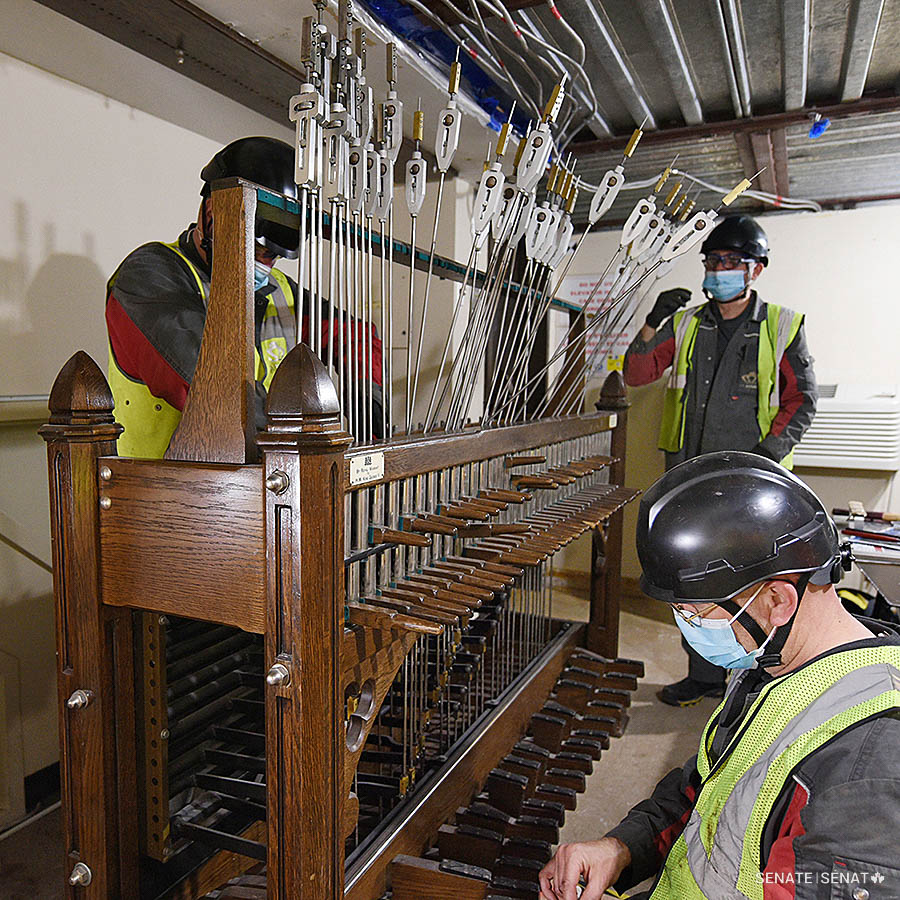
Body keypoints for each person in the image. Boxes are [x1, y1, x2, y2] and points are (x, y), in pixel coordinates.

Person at [539, 451, 900, 900]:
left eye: (694, 612)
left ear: (777, 601)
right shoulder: (773, 661)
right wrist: (622, 848)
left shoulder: (865, 774)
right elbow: (715, 792)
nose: (687, 628)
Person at [623, 214, 818, 707]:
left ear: (756, 269)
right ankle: (705, 677)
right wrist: (651, 321)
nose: (719, 270)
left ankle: (765, 678)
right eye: (713, 262)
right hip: (691, 474)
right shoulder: (687, 324)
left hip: (755, 482)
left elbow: (802, 400)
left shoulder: (782, 324)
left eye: (731, 261)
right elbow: (638, 372)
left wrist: (767, 456)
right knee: (695, 577)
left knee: (756, 579)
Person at [105, 135, 382, 459]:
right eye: (258, 250)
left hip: (260, 488)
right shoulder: (149, 276)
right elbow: (210, 387)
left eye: (272, 256)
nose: (264, 264)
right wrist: (296, 451)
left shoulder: (279, 287)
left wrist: (369, 410)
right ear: (211, 214)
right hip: (159, 500)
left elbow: (351, 334)